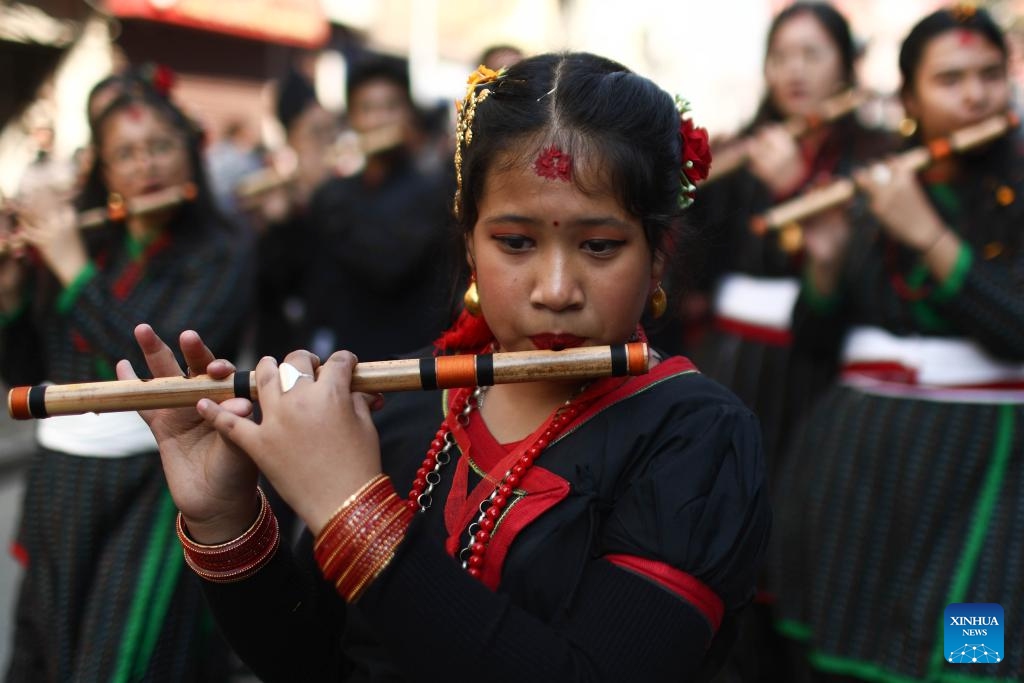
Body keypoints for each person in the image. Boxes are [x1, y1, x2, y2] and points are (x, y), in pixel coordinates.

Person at [121, 52, 771, 681]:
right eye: (515, 242)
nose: (553, 287)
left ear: (658, 256)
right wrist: (226, 518)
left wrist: (353, 512)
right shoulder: (403, 404)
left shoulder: (699, 438)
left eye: (599, 246)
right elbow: (315, 661)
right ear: (468, 241)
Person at [772, 6, 1024, 681]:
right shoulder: (880, 186)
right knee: (854, 635)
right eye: (950, 79)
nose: (974, 95)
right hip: (864, 464)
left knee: (971, 645)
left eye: (989, 75)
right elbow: (819, 339)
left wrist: (931, 238)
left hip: (986, 469)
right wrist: (825, 261)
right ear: (910, 97)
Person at [1, 83, 252, 681]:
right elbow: (28, 375)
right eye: (128, 154)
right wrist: (10, 293)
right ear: (105, 171)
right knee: (51, 652)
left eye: (161, 146)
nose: (147, 165)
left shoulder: (225, 251)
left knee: (121, 660)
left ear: (190, 154)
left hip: (158, 478)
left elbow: (157, 373)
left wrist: (72, 269)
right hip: (62, 484)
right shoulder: (88, 242)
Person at [302, 54, 458, 362]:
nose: (379, 119)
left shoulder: (432, 187)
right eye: (367, 109)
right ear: (351, 120)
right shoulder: (338, 190)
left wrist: (324, 192)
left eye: (391, 107)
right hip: (343, 354)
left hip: (410, 359)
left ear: (409, 114)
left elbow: (387, 265)